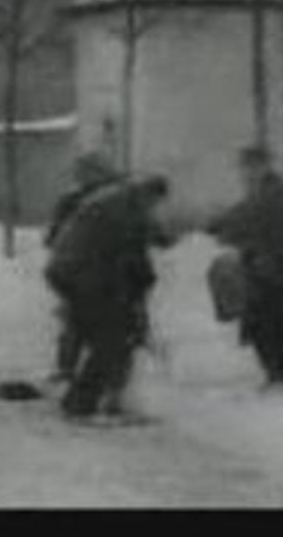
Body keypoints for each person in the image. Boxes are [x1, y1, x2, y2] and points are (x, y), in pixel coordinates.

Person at [45, 175, 174, 422]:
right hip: (81, 273)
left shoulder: (120, 200)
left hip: (69, 270)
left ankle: (106, 396)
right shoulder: (126, 210)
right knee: (112, 338)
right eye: (155, 204)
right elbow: (134, 256)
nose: (154, 209)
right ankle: (81, 404)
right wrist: (143, 286)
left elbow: (138, 239)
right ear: (150, 196)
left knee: (108, 332)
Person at [209, 147, 283, 391]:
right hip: (267, 267)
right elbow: (245, 213)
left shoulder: (272, 191)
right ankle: (281, 376)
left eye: (250, 166)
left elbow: (251, 216)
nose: (245, 172)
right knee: (264, 325)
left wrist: (224, 227)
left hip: (277, 269)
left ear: (262, 166)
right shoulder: (265, 190)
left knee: (268, 325)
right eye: (244, 167)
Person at [43, 152, 124, 385]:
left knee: (78, 321)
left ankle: (73, 368)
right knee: (84, 321)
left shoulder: (75, 200)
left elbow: (53, 236)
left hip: (93, 270)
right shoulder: (110, 198)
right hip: (93, 270)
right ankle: (84, 370)